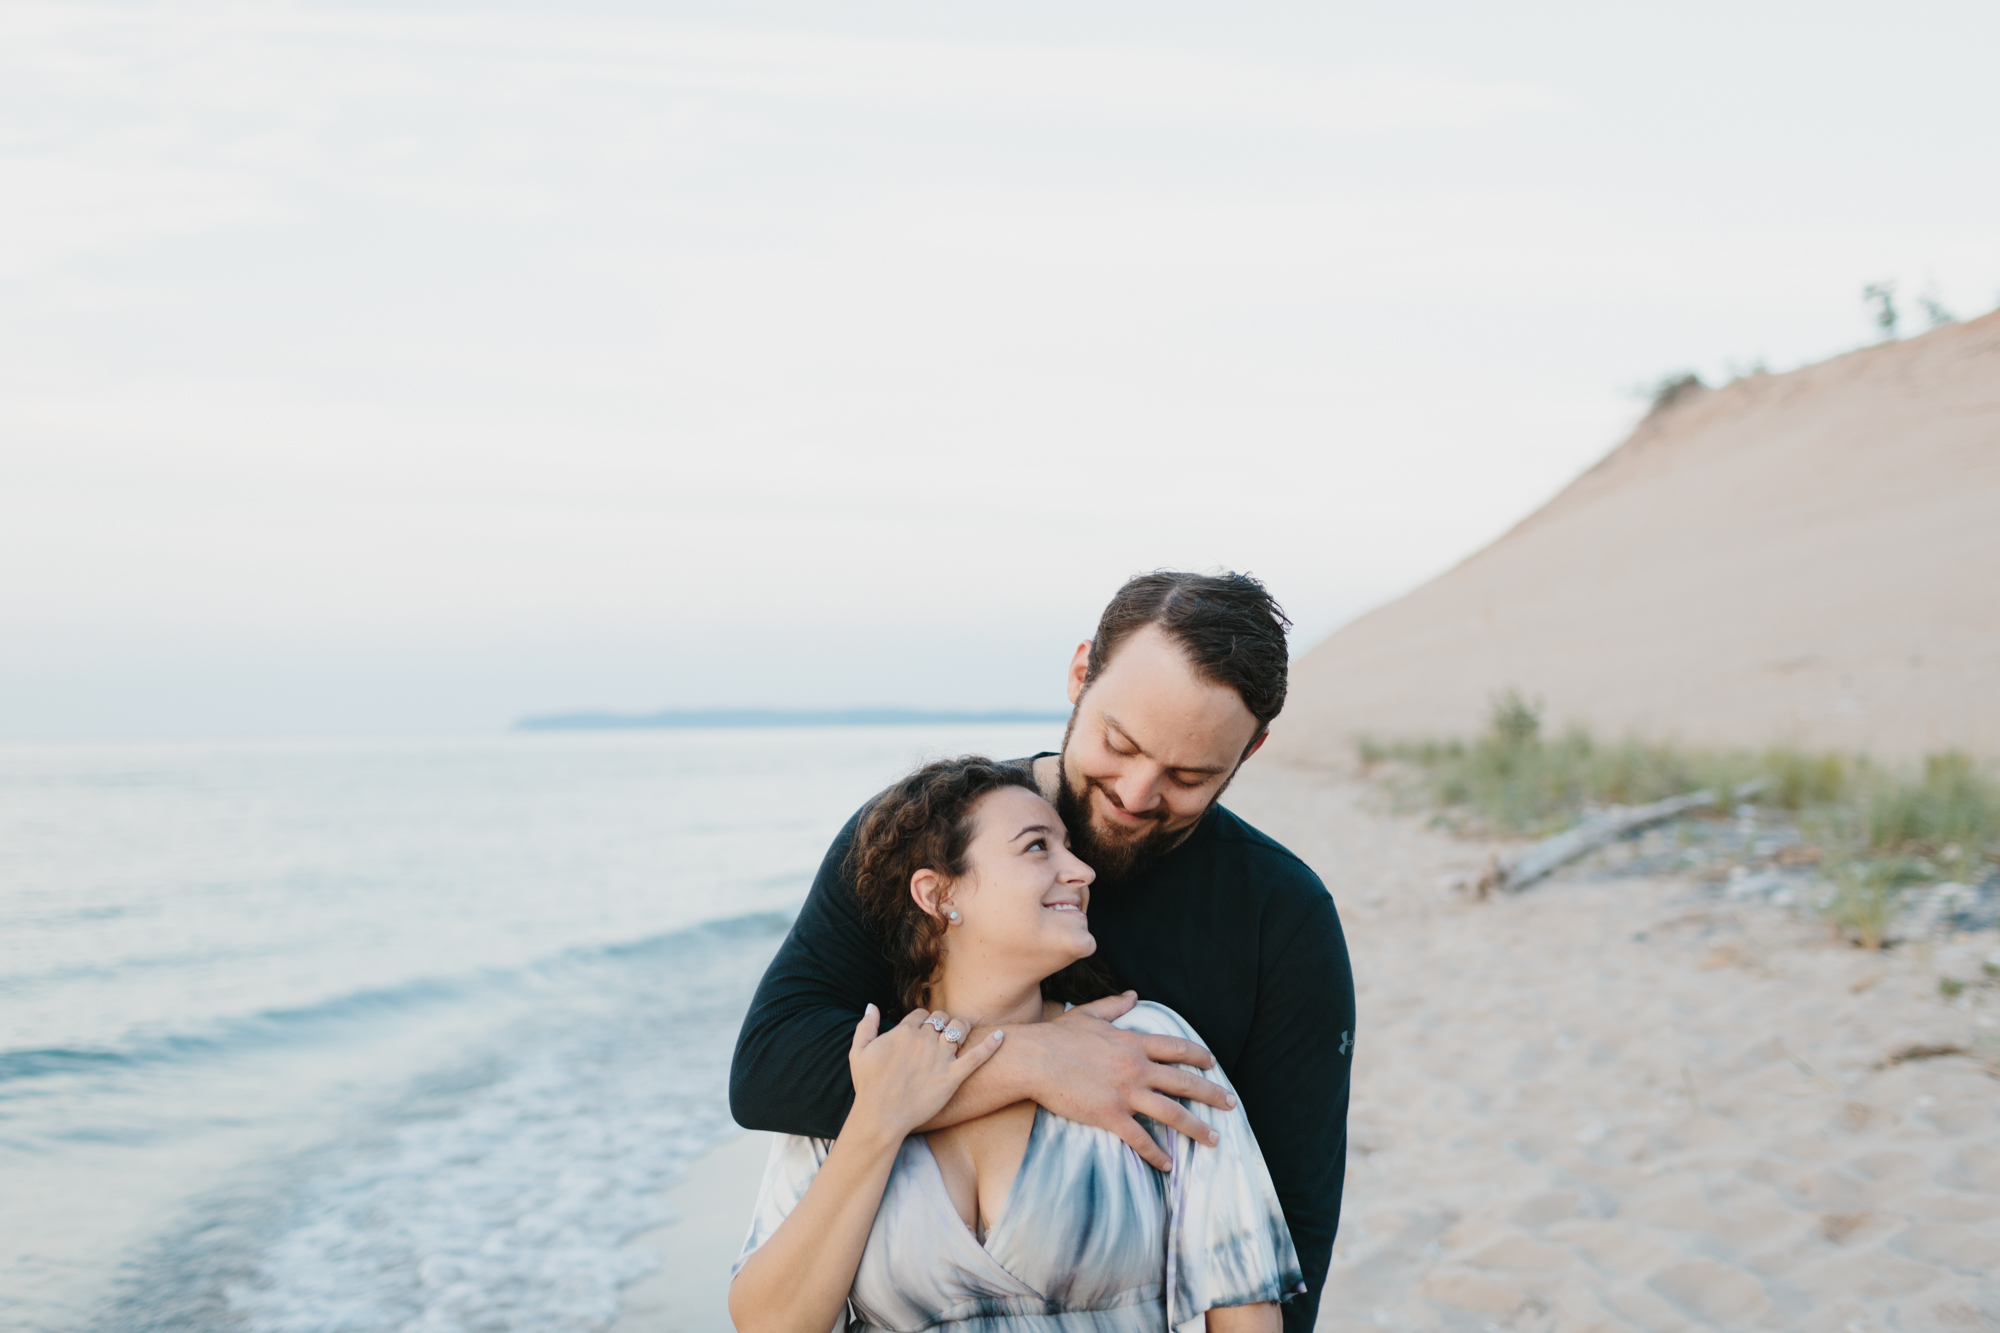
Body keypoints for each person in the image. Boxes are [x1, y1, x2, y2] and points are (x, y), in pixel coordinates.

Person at [731, 572, 1355, 1332]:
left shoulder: (1281, 918)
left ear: (1248, 751)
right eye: (1118, 743)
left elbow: (1294, 1226)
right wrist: (1030, 1059)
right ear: (1079, 672)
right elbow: (769, 1069)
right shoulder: (922, 839)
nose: (1135, 792)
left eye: (1188, 776)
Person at [728, 757, 1303, 1333]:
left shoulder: (1142, 1046)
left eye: (1069, 847)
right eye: (1037, 847)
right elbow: (770, 1323)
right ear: (937, 893)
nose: (1082, 871)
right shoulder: (871, 1066)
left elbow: (1245, 1307)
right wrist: (879, 1121)